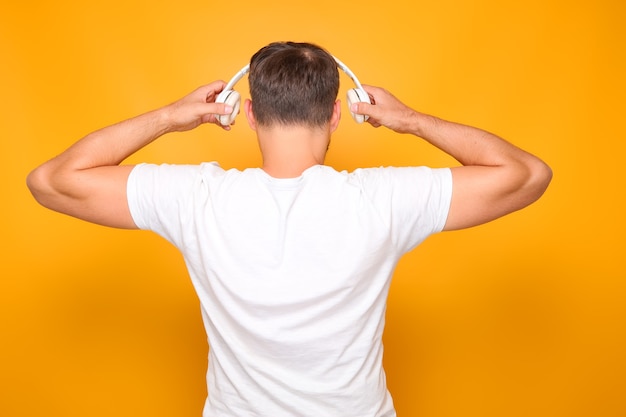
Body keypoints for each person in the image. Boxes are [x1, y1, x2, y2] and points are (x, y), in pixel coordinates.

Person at [27, 41, 552, 417]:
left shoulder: (196, 198)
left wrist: (171, 116)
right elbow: (528, 175)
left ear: (249, 113)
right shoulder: (384, 199)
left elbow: (52, 181)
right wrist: (410, 120)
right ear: (336, 115)